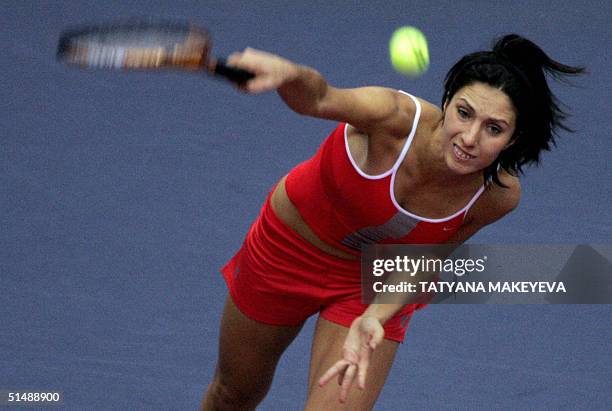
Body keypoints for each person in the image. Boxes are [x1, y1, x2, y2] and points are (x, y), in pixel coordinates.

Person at [199, 34, 584, 410]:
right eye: (464, 113)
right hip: (287, 251)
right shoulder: (393, 117)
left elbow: (425, 260)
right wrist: (290, 73)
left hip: (372, 281)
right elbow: (319, 96)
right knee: (234, 394)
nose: (469, 138)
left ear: (513, 141)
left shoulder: (496, 196)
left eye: (493, 128)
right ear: (447, 103)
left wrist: (375, 316)